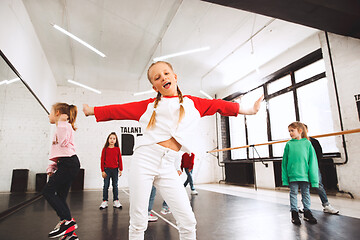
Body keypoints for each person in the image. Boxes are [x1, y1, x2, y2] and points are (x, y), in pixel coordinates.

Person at [83, 61, 263, 240]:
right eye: (157, 78)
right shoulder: (148, 106)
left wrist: (249, 109)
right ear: (155, 87)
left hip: (168, 164)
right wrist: (91, 110)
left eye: (166, 73)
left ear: (175, 77)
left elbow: (219, 105)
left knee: (188, 221)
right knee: (139, 221)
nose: (163, 78)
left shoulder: (195, 104)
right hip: (145, 160)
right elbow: (119, 110)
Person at [43, 103, 80, 240]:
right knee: (60, 197)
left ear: (57, 113)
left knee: (47, 191)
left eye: (50, 112)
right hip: (66, 163)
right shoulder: (60, 128)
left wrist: (62, 121)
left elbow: (63, 142)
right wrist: (51, 167)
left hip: (69, 163)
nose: (49, 115)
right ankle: (70, 234)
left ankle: (68, 222)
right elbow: (58, 151)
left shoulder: (64, 126)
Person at [282, 121, 319, 225]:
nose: (290, 133)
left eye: (292, 130)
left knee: (306, 193)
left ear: (300, 131)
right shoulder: (288, 144)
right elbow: (284, 162)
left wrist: (314, 180)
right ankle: (294, 212)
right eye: (289, 131)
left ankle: (307, 212)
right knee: (293, 193)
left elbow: (312, 162)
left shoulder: (307, 143)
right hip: (292, 175)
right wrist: (285, 179)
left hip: (305, 176)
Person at [304, 124, 339, 214]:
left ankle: (326, 205)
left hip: (313, 167)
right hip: (301, 169)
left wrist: (313, 166)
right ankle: (305, 206)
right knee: (304, 186)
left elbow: (319, 154)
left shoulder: (314, 141)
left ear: (307, 130)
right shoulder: (295, 143)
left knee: (318, 185)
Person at [99, 132, 123, 209]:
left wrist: (121, 169)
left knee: (115, 185)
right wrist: (102, 170)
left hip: (115, 170)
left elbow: (120, 160)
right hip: (107, 170)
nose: (112, 140)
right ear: (108, 139)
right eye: (111, 138)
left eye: (114, 138)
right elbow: (102, 160)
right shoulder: (105, 149)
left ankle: (116, 201)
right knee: (106, 185)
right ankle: (104, 201)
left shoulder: (117, 149)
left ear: (116, 140)